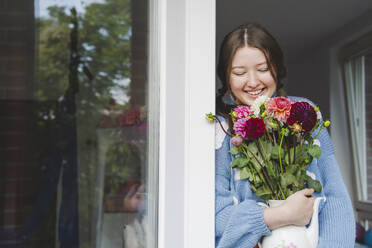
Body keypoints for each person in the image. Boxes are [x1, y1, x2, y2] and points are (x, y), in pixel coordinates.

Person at [215, 23, 355, 248]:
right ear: (226, 77)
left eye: (262, 69)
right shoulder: (218, 130)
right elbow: (215, 217)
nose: (253, 82)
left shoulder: (305, 112)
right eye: (239, 73)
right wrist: (281, 215)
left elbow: (335, 198)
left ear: (277, 69)